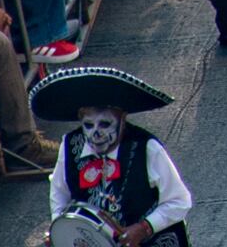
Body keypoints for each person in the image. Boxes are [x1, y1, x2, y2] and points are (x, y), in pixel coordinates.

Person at [48, 83, 196, 244]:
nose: (96, 134)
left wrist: (144, 227)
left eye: (105, 124)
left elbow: (179, 201)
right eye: (88, 125)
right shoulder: (69, 145)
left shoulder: (147, 147)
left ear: (122, 119)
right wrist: (59, 230)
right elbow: (59, 194)